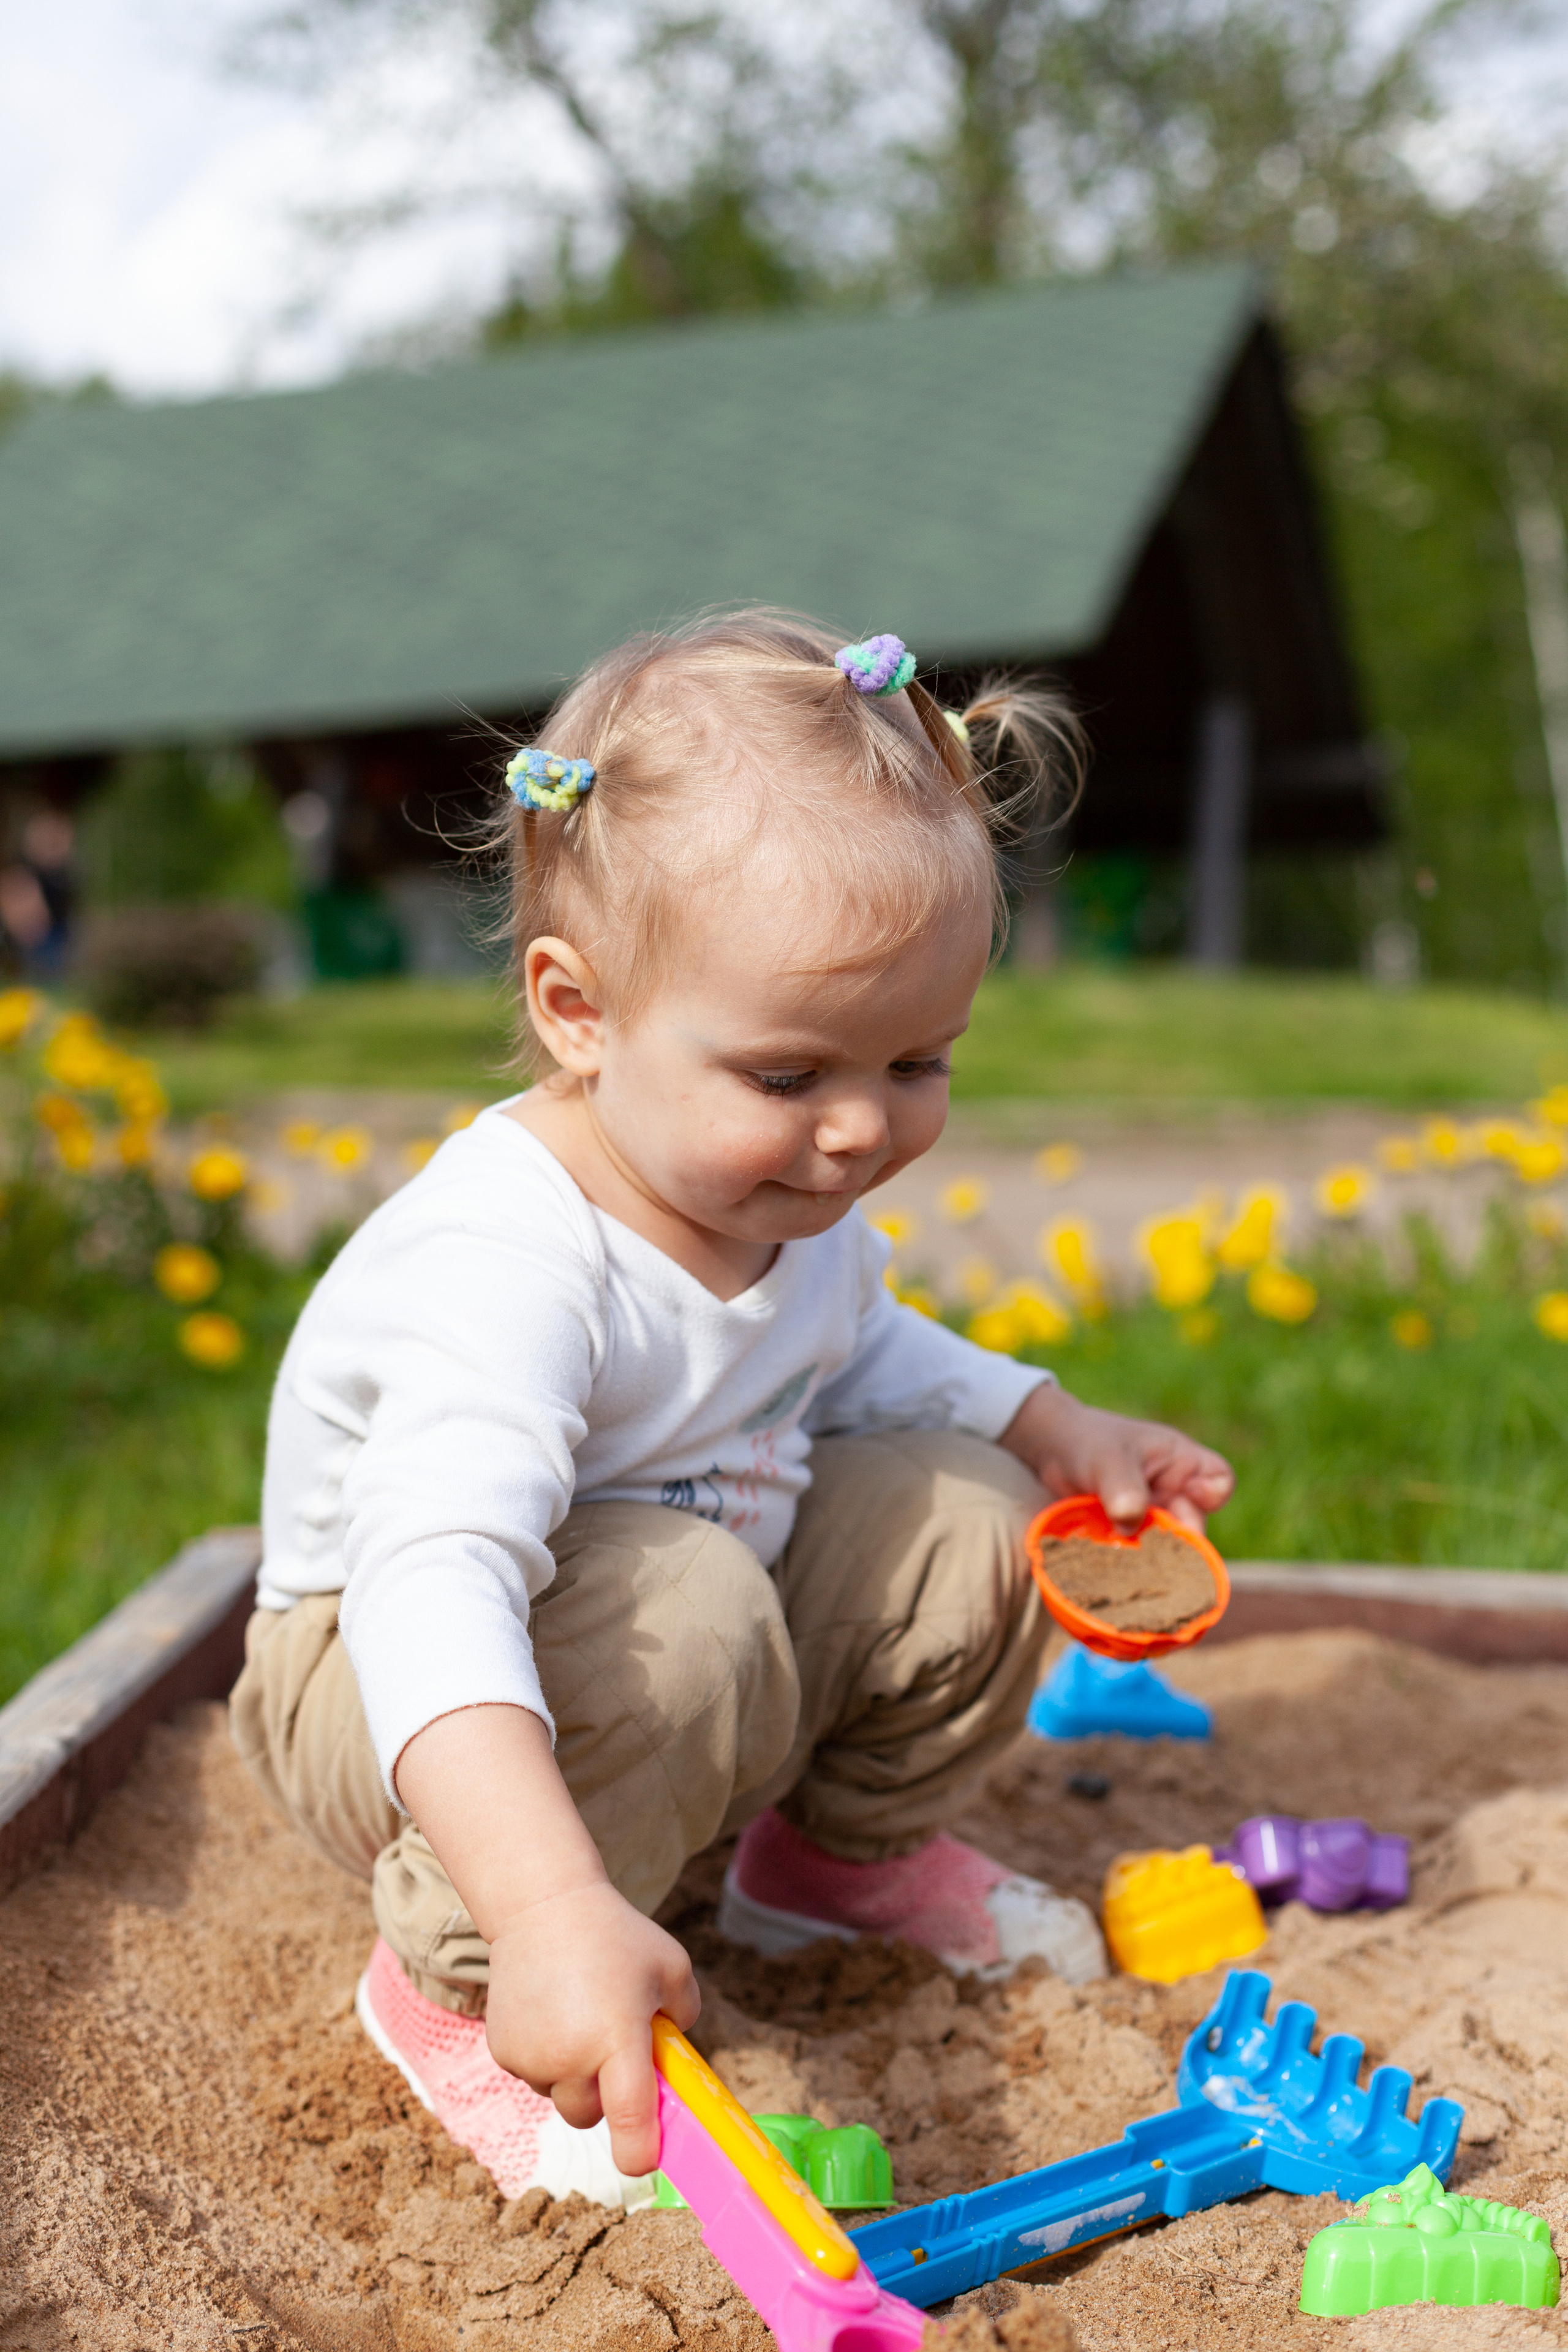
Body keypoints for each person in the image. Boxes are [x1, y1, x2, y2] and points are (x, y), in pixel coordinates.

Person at [232, 611, 1232, 2207]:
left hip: (668, 1609)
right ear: (579, 1010)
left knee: (971, 1518)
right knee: (689, 1617)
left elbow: (866, 1354)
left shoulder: (783, 1206)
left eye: (919, 1060)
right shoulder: (514, 1256)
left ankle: (823, 1875)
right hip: (391, 1680)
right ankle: (467, 1986)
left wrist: (1054, 1429)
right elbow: (435, 1582)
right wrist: (547, 1902)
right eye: (787, 1075)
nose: (856, 1132)